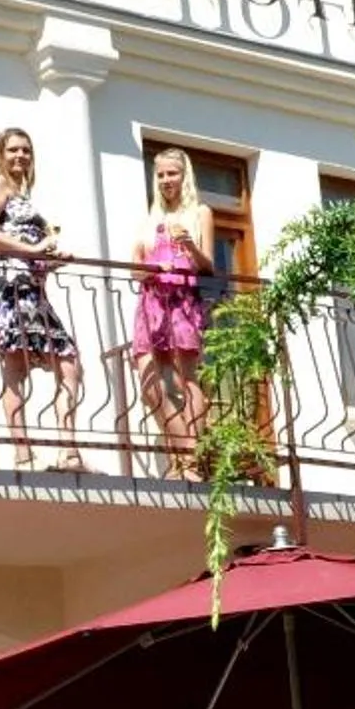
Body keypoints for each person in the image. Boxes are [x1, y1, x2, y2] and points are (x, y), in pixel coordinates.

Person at [0, 125, 84, 468]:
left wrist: (50, 261)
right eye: (12, 150)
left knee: (68, 362)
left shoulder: (23, 195)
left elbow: (26, 249)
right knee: (15, 365)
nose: (20, 155)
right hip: (11, 287)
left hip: (33, 287)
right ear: (0, 154)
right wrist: (33, 247)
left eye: (25, 150)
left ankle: (68, 450)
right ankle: (23, 453)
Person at [131, 147, 217, 477]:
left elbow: (208, 265)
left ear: (185, 176)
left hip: (182, 301)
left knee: (186, 380)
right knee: (150, 386)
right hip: (151, 303)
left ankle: (188, 463)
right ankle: (187, 451)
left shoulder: (200, 213)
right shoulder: (149, 219)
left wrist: (189, 245)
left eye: (173, 173)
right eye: (162, 174)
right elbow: (135, 270)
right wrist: (152, 268)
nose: (167, 180)